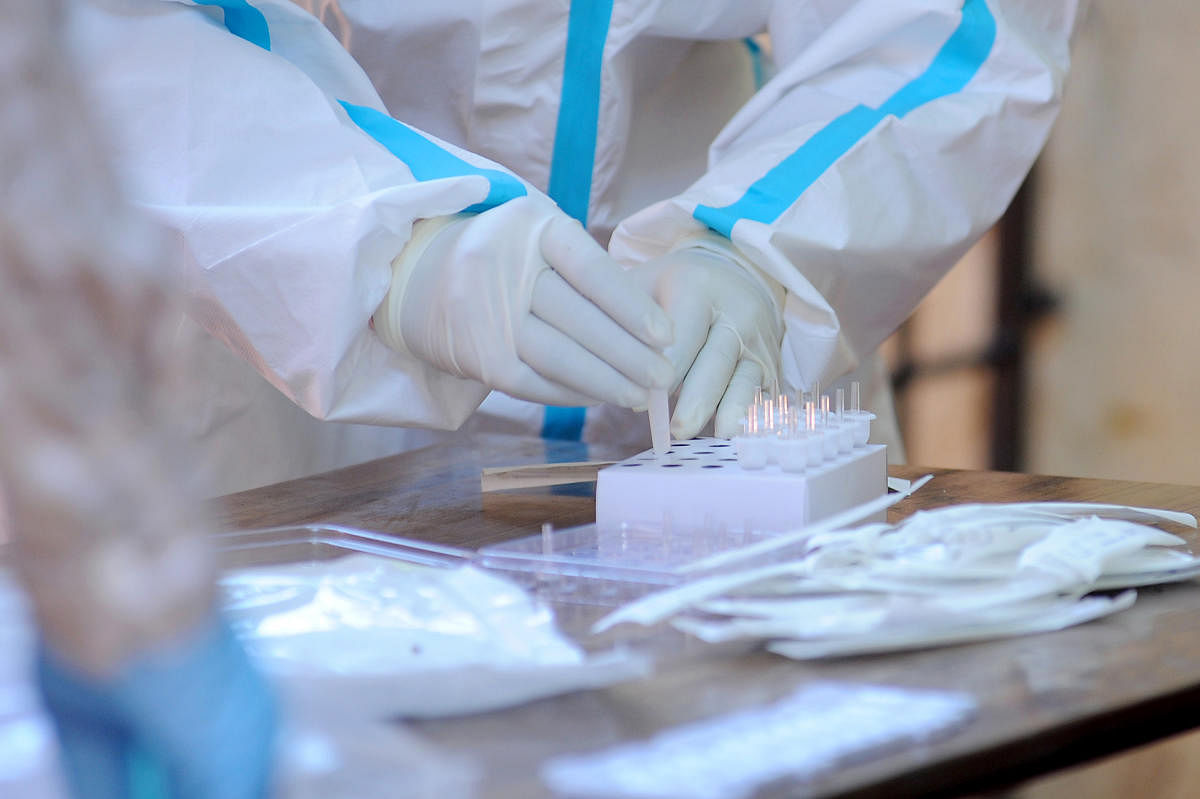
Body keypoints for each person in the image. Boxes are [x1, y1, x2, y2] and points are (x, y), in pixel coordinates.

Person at [65, 0, 1081, 495]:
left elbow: (947, 26)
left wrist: (762, 251)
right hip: (249, 306)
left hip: (715, 289)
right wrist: (383, 246)